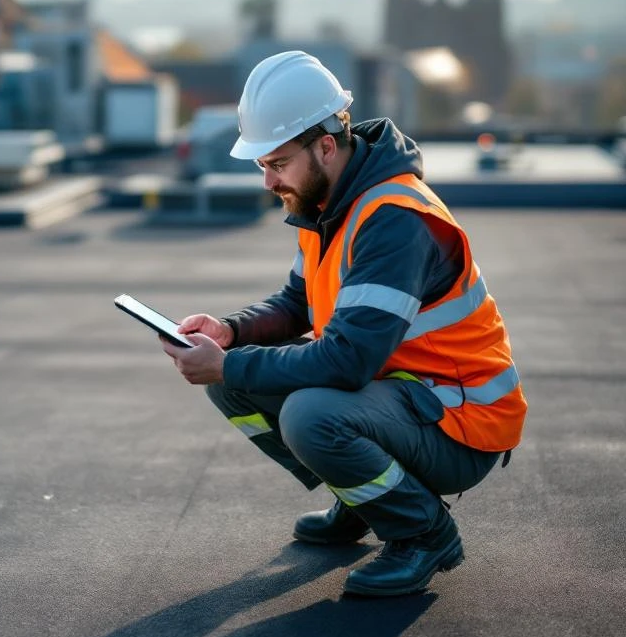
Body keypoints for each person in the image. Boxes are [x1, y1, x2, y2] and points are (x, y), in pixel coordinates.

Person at [160, 51, 527, 597]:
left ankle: (425, 534)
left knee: (308, 411)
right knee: (233, 386)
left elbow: (348, 361)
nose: (268, 182)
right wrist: (229, 334)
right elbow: (296, 305)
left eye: (277, 163)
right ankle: (363, 497)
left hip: (462, 420)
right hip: (405, 397)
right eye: (262, 166)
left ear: (326, 146)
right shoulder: (327, 204)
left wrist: (231, 364)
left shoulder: (394, 219)